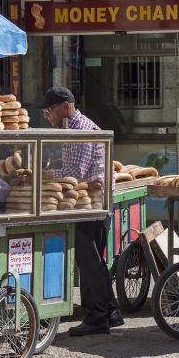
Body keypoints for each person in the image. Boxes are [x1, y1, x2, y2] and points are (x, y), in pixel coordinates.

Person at [40, 85, 123, 336]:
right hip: (94, 202)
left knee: (88, 262)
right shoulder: (74, 128)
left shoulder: (80, 130)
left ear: (66, 107)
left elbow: (73, 175)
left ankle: (97, 318)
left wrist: (41, 176)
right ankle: (111, 312)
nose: (48, 116)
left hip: (90, 204)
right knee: (94, 261)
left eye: (50, 111)